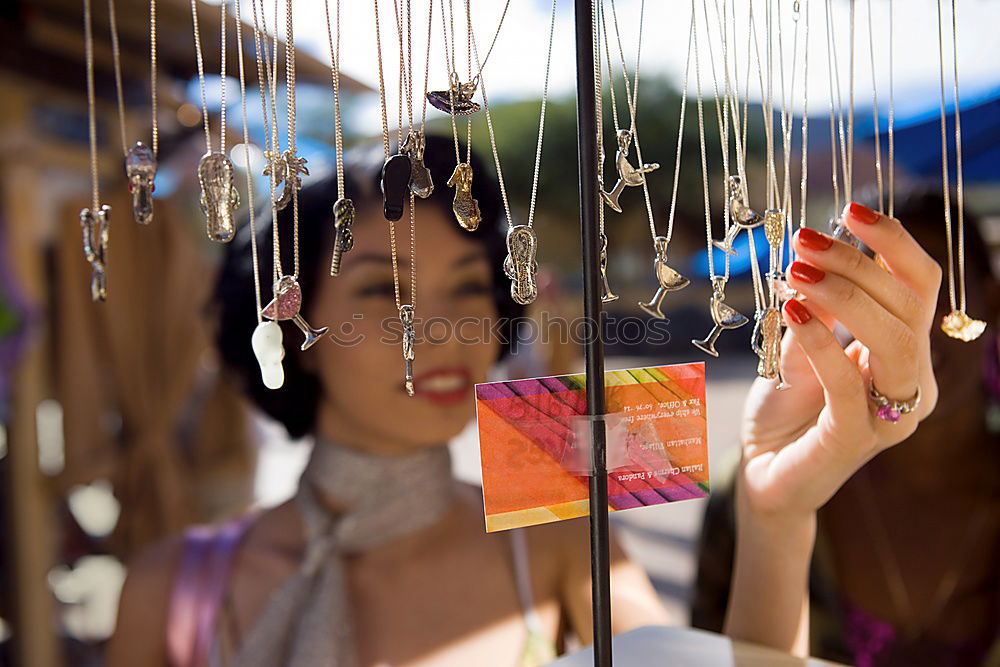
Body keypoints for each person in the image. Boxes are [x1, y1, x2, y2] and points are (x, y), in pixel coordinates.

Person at [108, 130, 946, 665]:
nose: (436, 325)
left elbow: (704, 662)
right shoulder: (172, 589)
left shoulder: (553, 546)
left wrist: (776, 509)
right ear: (289, 320)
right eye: (380, 289)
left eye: (471, 285)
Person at [692, 189, 999, 667]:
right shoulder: (751, 480)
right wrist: (773, 515)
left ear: (993, 302)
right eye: (873, 294)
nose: (905, 318)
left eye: (940, 297)